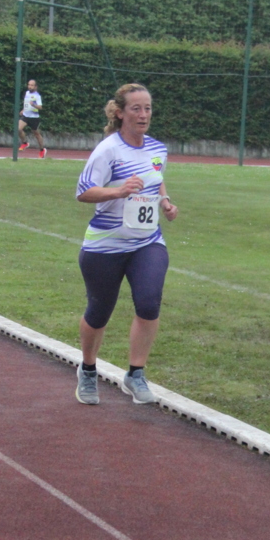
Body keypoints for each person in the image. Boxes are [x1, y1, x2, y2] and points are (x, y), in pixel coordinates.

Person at [74, 83, 178, 407]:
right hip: (105, 245)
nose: (143, 114)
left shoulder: (158, 149)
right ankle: (88, 369)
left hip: (147, 241)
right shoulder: (108, 150)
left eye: (148, 108)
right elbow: (83, 191)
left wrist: (165, 201)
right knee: (99, 311)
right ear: (120, 113)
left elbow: (156, 178)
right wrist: (117, 191)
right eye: (136, 108)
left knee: (149, 302)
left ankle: (135, 373)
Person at [19, 79, 46, 157]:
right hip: (25, 116)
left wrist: (33, 104)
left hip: (34, 118)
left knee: (37, 134)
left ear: (35, 87)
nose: (29, 86)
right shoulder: (27, 93)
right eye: (29, 85)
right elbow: (26, 104)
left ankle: (42, 150)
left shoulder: (37, 96)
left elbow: (40, 107)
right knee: (18, 129)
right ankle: (25, 143)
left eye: (31, 85)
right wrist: (23, 110)